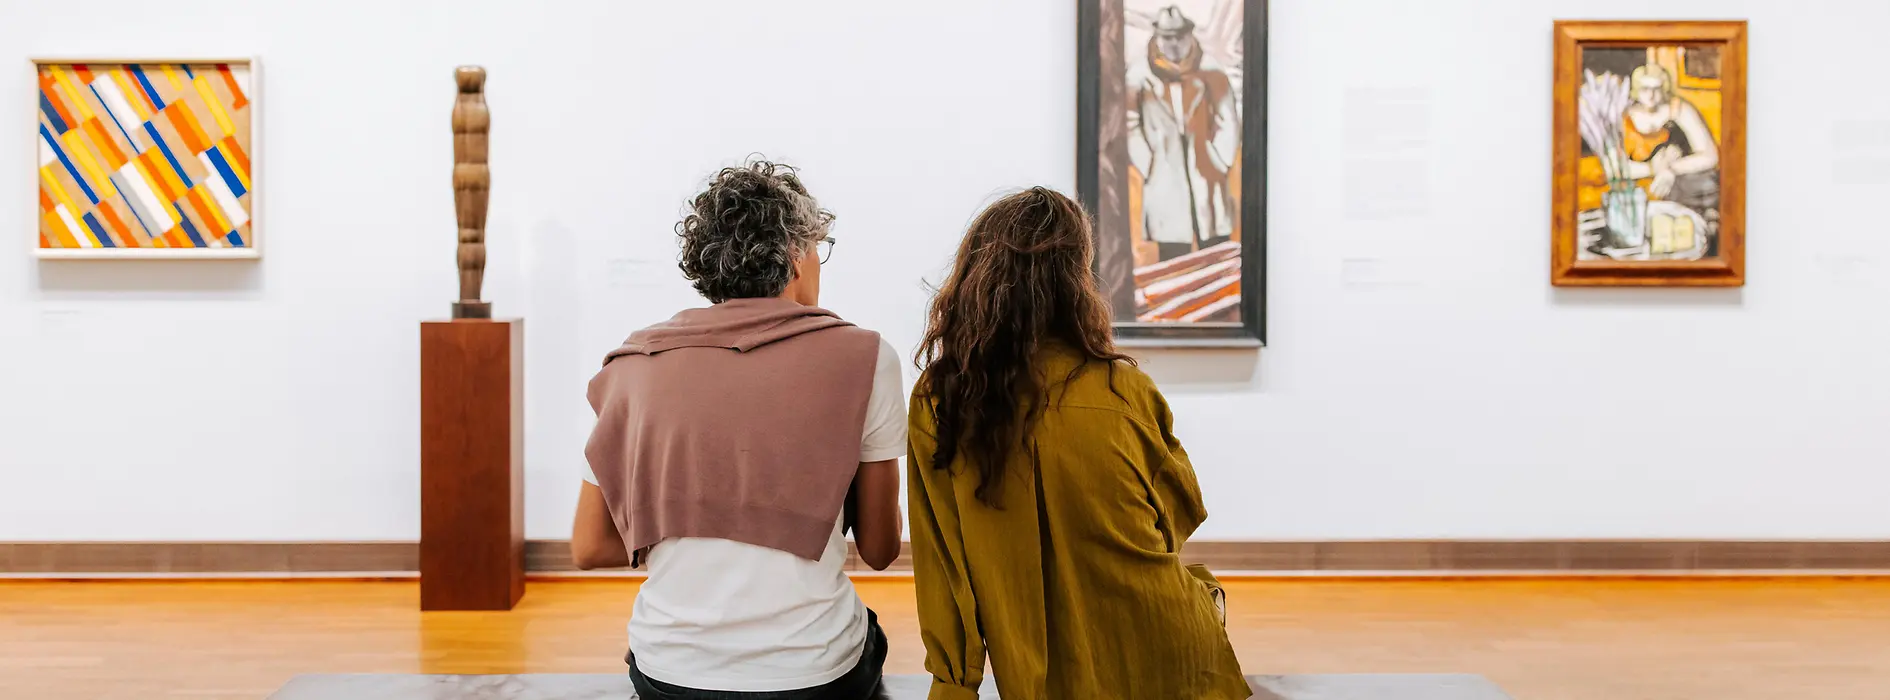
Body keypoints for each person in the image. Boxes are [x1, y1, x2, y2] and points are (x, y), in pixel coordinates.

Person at [570, 160, 905, 700]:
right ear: (797, 255)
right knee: (865, 639)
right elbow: (882, 548)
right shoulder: (867, 357)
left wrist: (689, 527)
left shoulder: (631, 365)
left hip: (669, 674)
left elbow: (589, 548)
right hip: (814, 676)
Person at [907, 187, 1249, 700]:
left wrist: (955, 684)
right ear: (1078, 282)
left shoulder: (943, 400)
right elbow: (1177, 518)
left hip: (1041, 672)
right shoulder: (1123, 389)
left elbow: (944, 564)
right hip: (1173, 660)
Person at [1127, 5, 1241, 261]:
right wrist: (1149, 165)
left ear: (1190, 35)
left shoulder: (1212, 71)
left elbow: (1228, 120)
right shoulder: (1139, 75)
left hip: (1207, 173)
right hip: (1164, 178)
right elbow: (1130, 124)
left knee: (1215, 250)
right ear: (1157, 37)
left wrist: (1219, 159)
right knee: (1172, 254)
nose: (1174, 43)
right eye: (1167, 37)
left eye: (1180, 36)